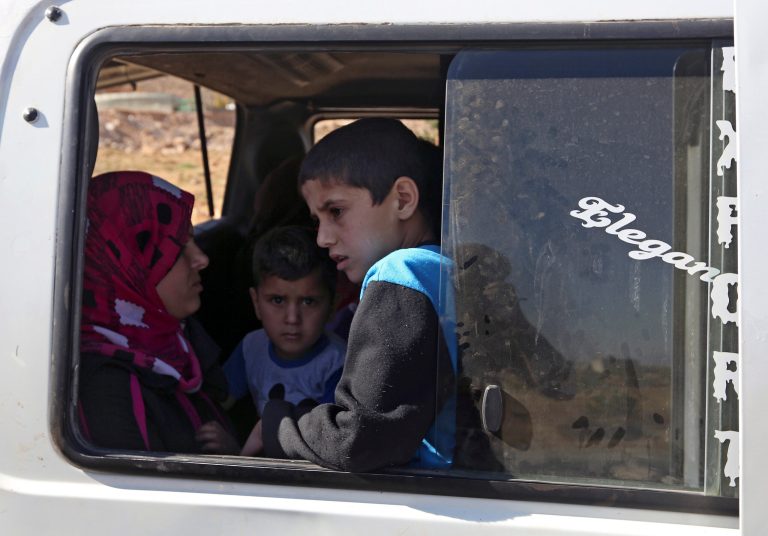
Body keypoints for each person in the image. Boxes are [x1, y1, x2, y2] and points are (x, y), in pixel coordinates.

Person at [243, 118, 457, 472]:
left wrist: (279, 427)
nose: (322, 238)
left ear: (402, 200)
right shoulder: (441, 268)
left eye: (336, 212)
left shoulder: (402, 275)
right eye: (317, 220)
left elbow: (358, 437)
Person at [77, 171, 239, 455]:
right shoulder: (106, 385)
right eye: (178, 248)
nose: (202, 259)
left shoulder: (173, 338)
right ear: (129, 264)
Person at [218, 225, 346, 418]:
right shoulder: (251, 348)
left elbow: (330, 438)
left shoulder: (339, 364)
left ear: (332, 306)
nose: (292, 318)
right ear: (256, 302)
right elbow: (217, 405)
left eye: (308, 301)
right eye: (277, 300)